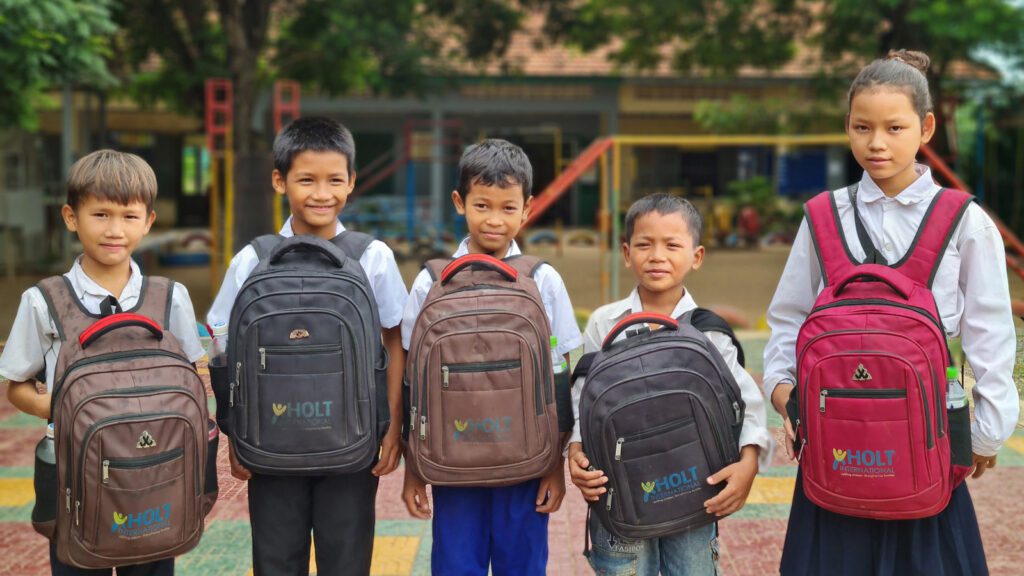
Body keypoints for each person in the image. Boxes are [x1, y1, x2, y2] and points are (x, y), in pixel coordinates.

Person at [763, 50, 1019, 575]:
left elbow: (989, 329)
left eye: (894, 127)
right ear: (847, 128)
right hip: (833, 438)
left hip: (929, 438)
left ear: (925, 128)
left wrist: (989, 429)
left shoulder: (963, 221)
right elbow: (788, 316)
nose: (876, 142)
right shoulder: (822, 216)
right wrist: (783, 391)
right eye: (862, 127)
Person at [206, 116, 408, 575]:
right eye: (307, 180)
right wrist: (235, 432)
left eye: (335, 180)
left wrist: (393, 426)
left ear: (352, 182)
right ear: (280, 181)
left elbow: (396, 340)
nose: (322, 193)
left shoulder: (372, 257)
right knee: (276, 564)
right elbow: (220, 343)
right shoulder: (252, 259)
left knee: (347, 565)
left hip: (354, 445)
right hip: (270, 447)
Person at [1, 149, 206, 576]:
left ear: (149, 222)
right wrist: (61, 410)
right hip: (75, 479)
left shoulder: (170, 298)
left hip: (156, 474)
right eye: (100, 214)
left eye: (129, 217)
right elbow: (16, 386)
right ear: (71, 217)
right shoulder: (44, 301)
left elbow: (192, 375)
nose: (115, 230)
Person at [399, 139, 582, 575]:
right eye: (482, 206)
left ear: (527, 208)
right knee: (455, 567)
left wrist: (552, 465)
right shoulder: (432, 282)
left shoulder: (542, 279)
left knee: (522, 567)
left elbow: (559, 373)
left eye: (507, 207)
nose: (494, 220)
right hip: (450, 461)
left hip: (526, 463)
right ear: (460, 203)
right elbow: (412, 379)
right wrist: (413, 466)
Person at [567, 193, 769, 575]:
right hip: (620, 491)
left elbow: (745, 401)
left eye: (672, 245)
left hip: (695, 491)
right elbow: (584, 398)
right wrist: (575, 450)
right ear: (626, 253)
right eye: (644, 245)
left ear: (696, 256)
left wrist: (749, 463)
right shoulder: (604, 324)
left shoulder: (709, 331)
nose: (657, 255)